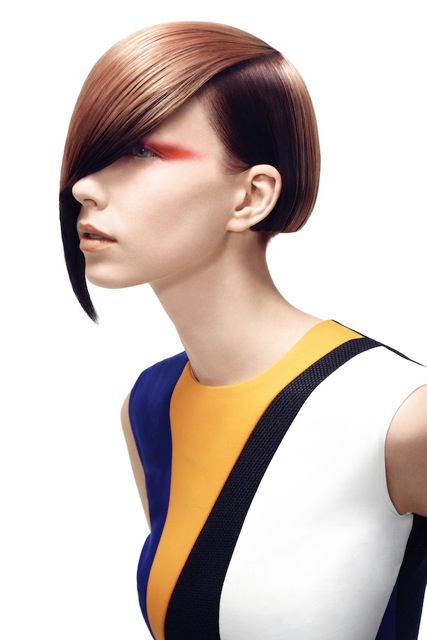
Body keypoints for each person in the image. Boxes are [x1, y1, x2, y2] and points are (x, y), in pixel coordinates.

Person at [59, 21, 427, 640]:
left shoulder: (399, 418)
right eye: (94, 155)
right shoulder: (151, 407)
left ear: (252, 196)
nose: (82, 187)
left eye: (141, 151)